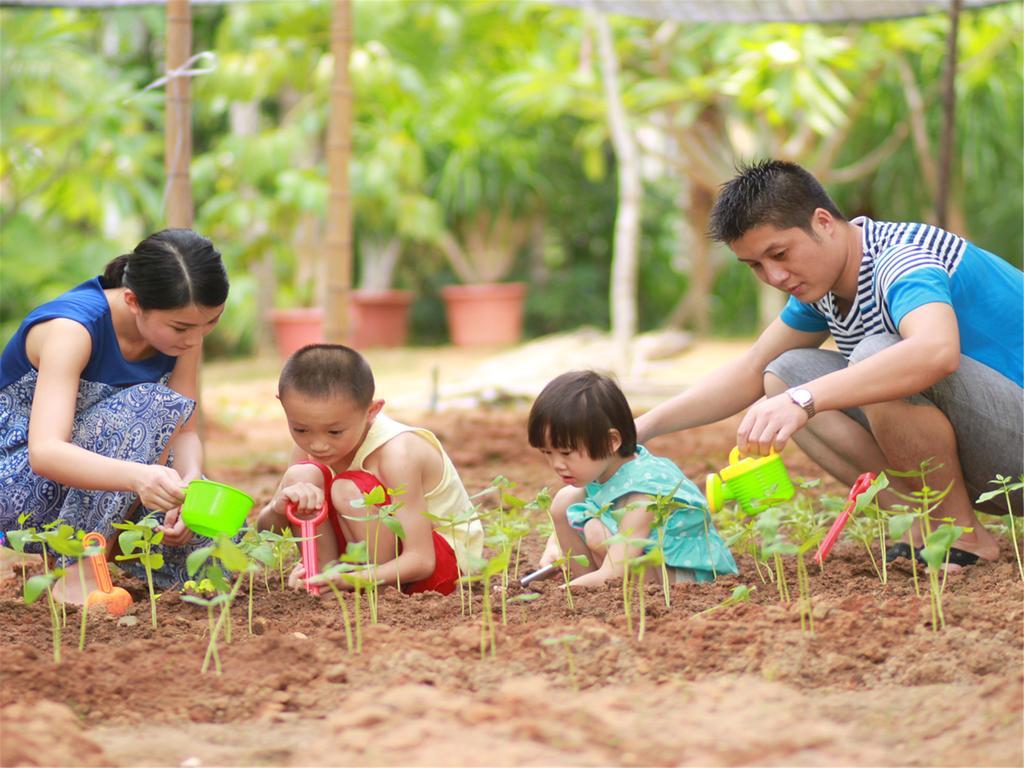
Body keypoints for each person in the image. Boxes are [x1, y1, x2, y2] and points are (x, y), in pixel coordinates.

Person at [636, 159, 1024, 567]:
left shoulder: (901, 257)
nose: (775, 276)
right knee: (783, 374)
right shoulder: (823, 289)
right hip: (993, 457)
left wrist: (805, 399)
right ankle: (921, 522)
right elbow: (752, 370)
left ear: (823, 221)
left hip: (1012, 443)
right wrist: (641, 428)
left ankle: (961, 535)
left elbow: (934, 351)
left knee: (876, 357)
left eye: (779, 253)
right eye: (756, 265)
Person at [0, 229, 230, 597]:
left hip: (110, 481)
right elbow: (44, 452)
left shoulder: (183, 336)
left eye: (211, 322)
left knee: (217, 547)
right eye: (183, 327)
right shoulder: (72, 330)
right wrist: (140, 477)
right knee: (151, 405)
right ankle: (79, 570)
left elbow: (184, 431)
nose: (196, 339)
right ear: (133, 300)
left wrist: (189, 485)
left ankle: (112, 556)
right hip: (19, 484)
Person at [256, 344, 484, 595]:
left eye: (335, 432)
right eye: (300, 429)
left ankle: (367, 591)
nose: (317, 444)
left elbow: (421, 559)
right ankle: (320, 576)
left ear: (372, 411)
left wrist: (353, 579)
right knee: (301, 477)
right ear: (284, 405)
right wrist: (279, 506)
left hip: (437, 566)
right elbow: (268, 532)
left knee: (347, 489)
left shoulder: (398, 454)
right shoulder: (309, 447)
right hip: (365, 558)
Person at [529, 370, 738, 587]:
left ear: (611, 442)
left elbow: (615, 572)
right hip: (640, 565)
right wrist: (555, 546)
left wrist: (561, 593)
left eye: (566, 453)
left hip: (683, 579)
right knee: (564, 502)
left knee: (596, 532)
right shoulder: (605, 467)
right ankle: (589, 591)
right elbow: (567, 515)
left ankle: (595, 591)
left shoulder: (642, 494)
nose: (556, 465)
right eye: (546, 453)